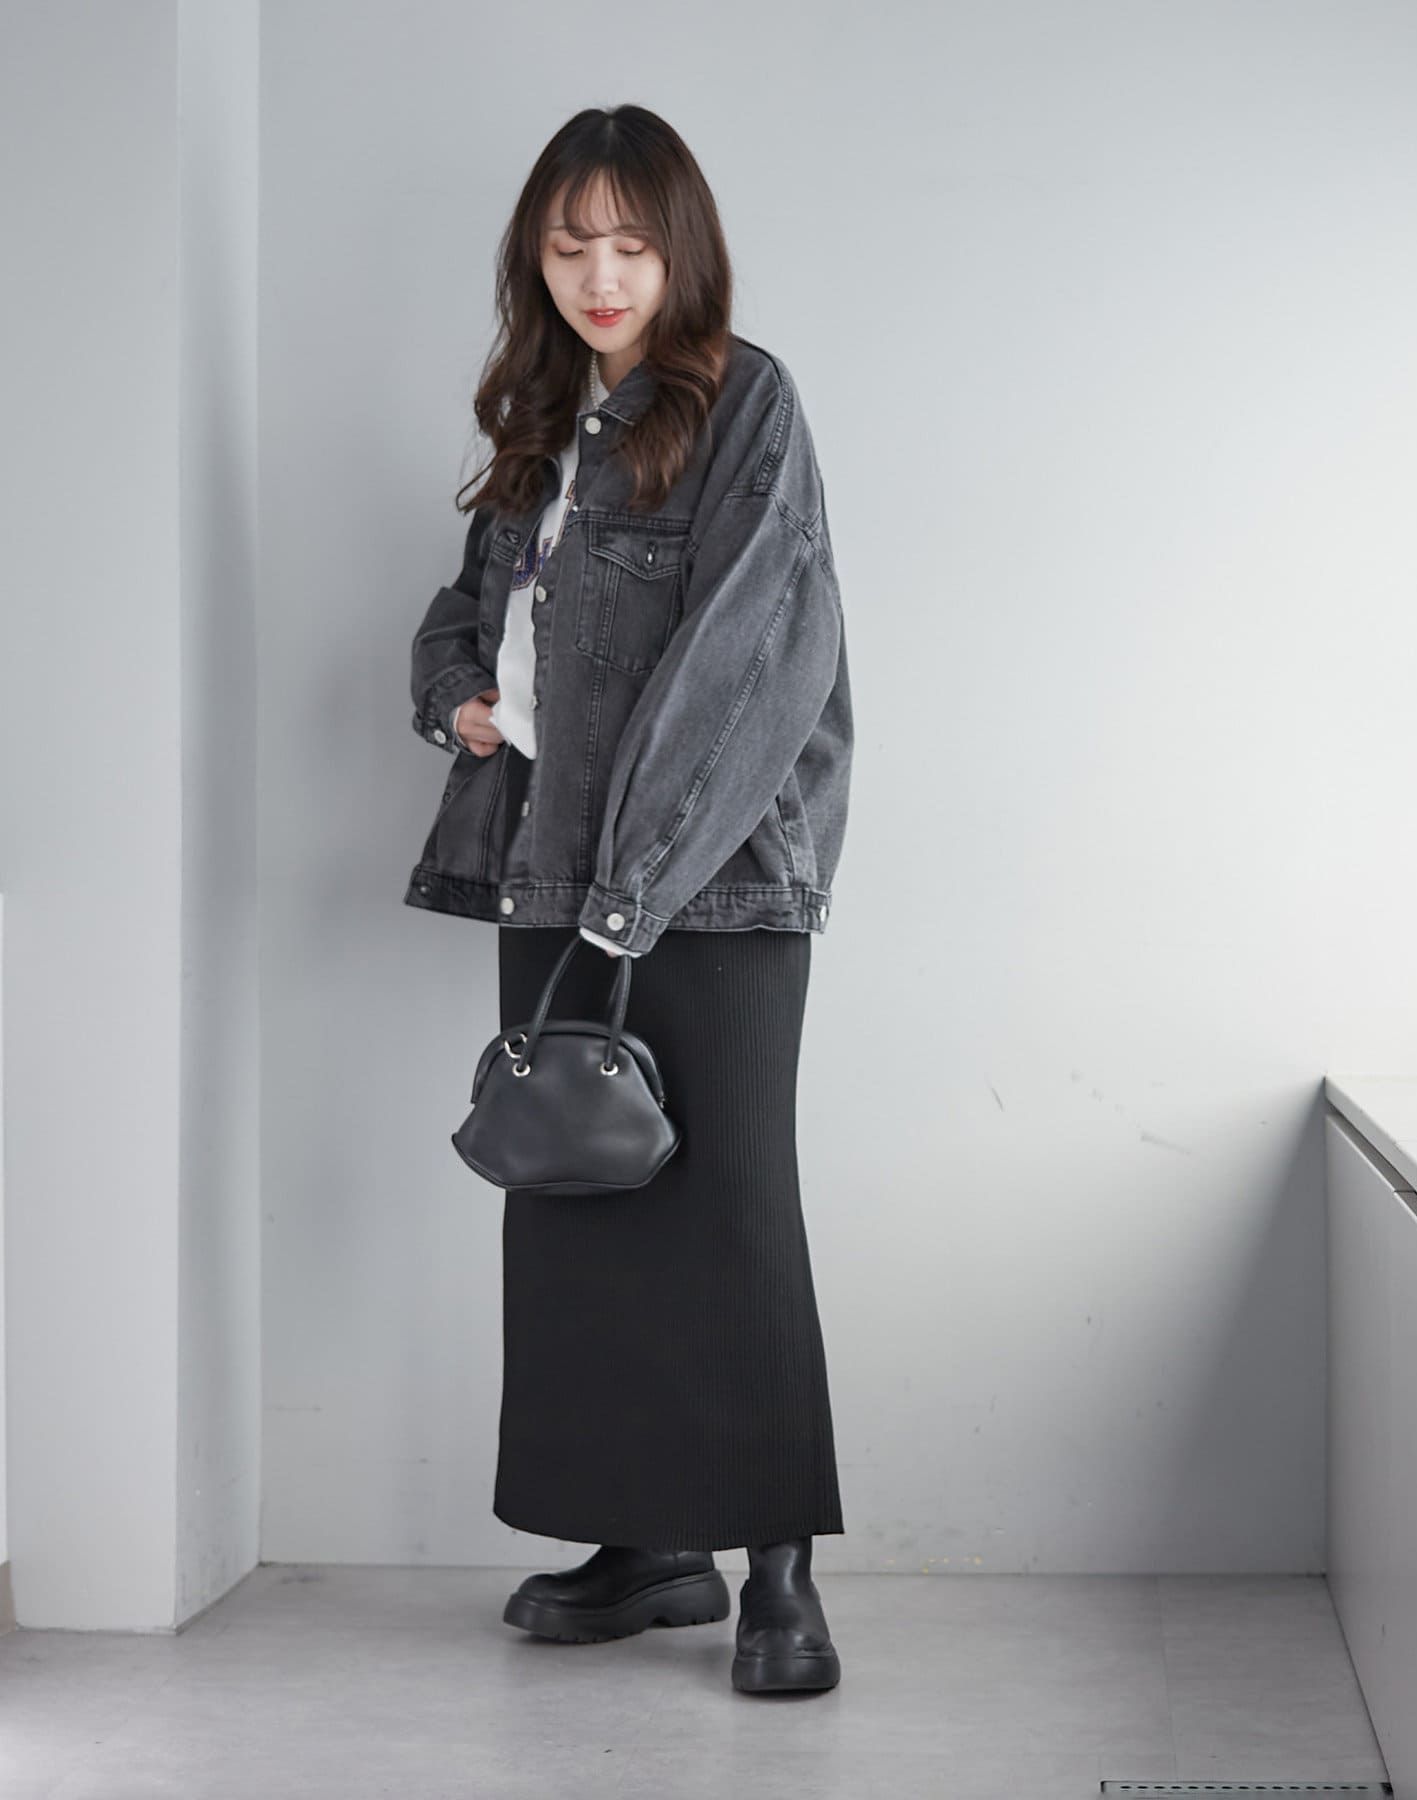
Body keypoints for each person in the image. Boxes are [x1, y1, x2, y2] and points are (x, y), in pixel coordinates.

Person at [405, 104, 854, 1696]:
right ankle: (644, 1545)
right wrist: (456, 700)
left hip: (709, 888)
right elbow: (465, 614)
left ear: (682, 251)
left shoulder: (744, 405)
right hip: (553, 873)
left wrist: (633, 893)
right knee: (578, 1204)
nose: (602, 276)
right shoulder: (543, 429)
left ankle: (778, 1568)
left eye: (632, 245)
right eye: (569, 246)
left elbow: (755, 657)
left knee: (729, 1212)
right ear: (535, 259)